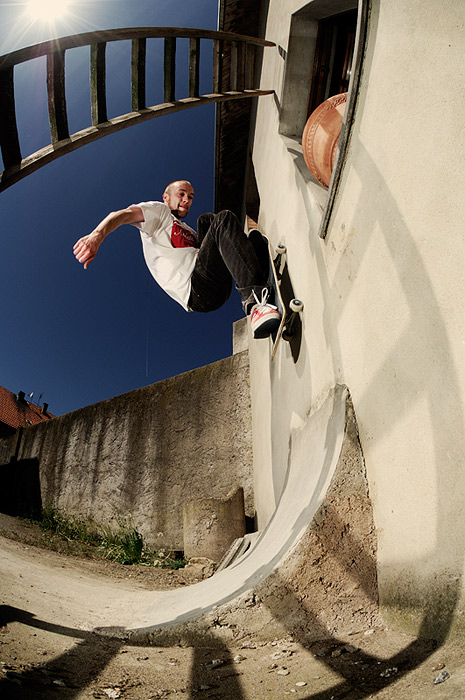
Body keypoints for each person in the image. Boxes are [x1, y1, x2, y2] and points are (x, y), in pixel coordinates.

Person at [73, 180, 281, 338]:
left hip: (214, 281)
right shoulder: (159, 211)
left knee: (207, 220)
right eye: (181, 194)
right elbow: (122, 214)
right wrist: (97, 235)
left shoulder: (188, 229)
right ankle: (255, 304)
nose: (186, 200)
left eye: (190, 197)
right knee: (222, 220)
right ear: (166, 197)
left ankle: (256, 267)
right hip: (197, 289)